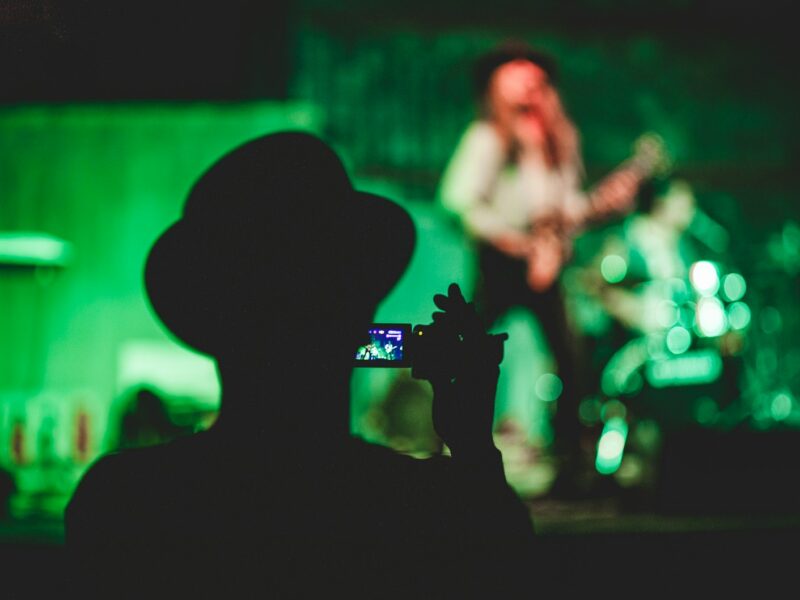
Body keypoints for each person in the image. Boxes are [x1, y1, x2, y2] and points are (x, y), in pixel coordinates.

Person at [65, 131, 535, 598]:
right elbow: (503, 567)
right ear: (360, 312)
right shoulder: (425, 508)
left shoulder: (124, 503)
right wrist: (472, 446)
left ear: (207, 319)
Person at [437, 41, 664, 496]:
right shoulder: (487, 138)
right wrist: (514, 240)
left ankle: (571, 461)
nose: (528, 84)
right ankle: (453, 453)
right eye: (516, 74)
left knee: (570, 359)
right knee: (468, 355)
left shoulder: (558, 141)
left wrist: (602, 204)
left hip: (546, 261)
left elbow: (564, 208)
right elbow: (457, 200)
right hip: (502, 264)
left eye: (535, 76)